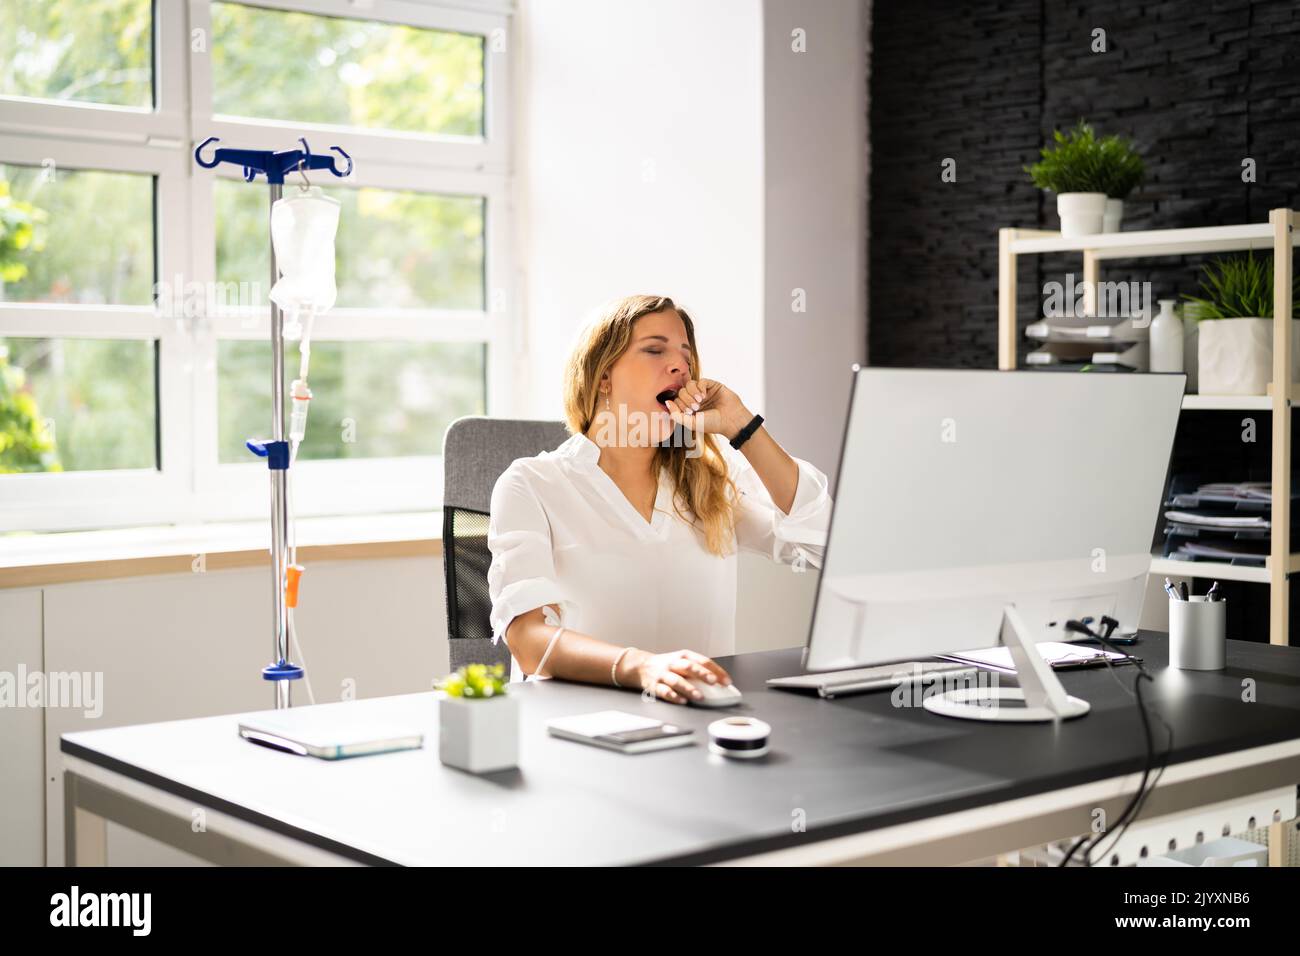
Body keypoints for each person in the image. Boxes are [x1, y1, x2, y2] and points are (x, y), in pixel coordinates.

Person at [486, 294, 833, 703]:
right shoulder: (532, 484)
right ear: (603, 376)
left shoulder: (710, 482)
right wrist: (645, 667)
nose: (680, 366)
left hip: (699, 718)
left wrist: (742, 425)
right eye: (654, 350)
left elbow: (822, 544)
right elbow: (528, 642)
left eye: (686, 355)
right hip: (582, 723)